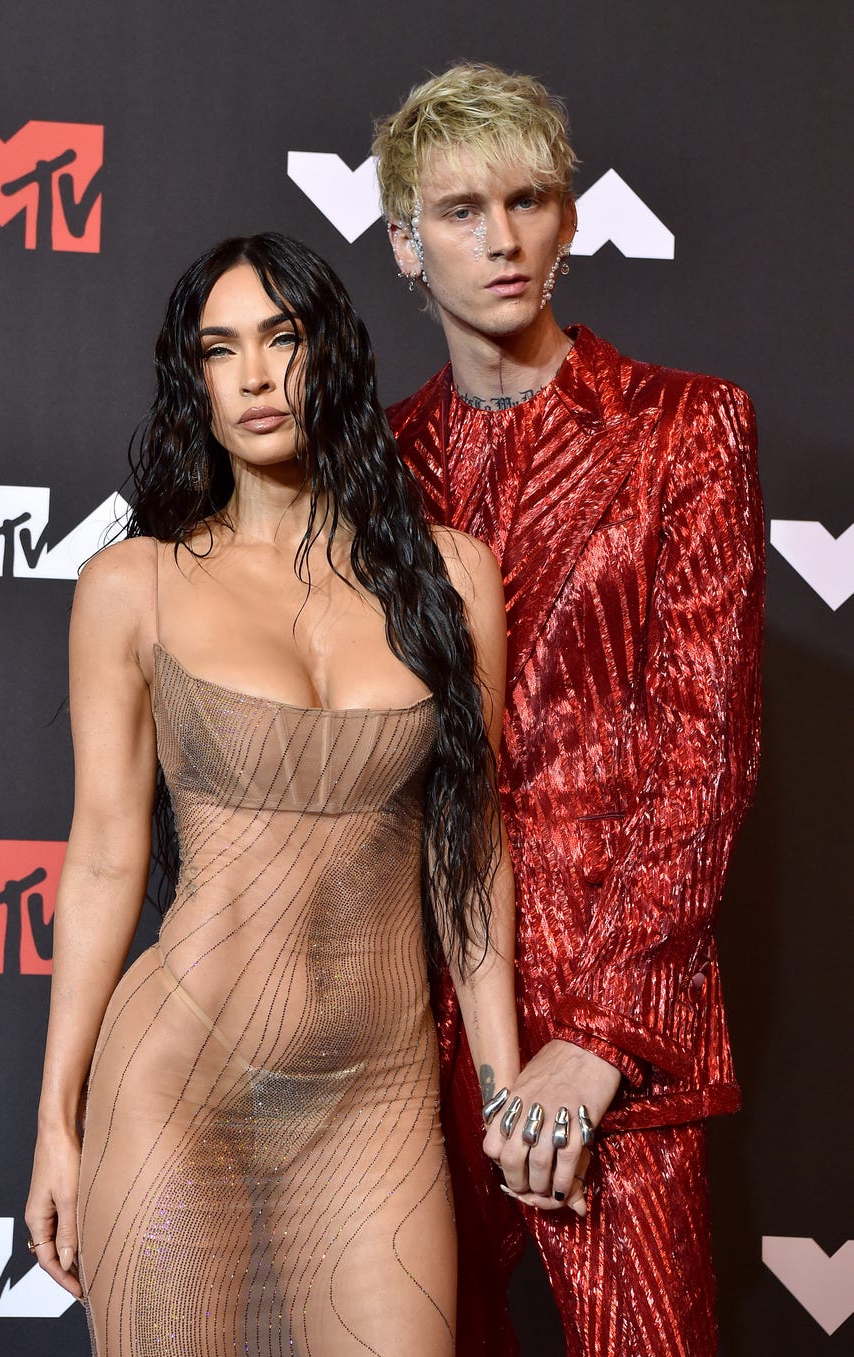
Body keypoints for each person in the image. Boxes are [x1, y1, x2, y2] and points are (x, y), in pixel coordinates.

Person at [24, 231, 541, 1357]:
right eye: (220, 350)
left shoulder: (454, 577)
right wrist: (55, 1125)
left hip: (373, 1093)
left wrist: (501, 1084)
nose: (255, 376)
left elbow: (472, 843)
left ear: (332, 356)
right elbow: (107, 858)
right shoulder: (134, 586)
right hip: (176, 1081)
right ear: (192, 381)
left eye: (282, 338)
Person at [373, 64, 764, 1357]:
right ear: (403, 245)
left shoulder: (685, 431)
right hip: (399, 1042)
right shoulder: (373, 470)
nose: (502, 237)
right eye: (463, 209)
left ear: (571, 220)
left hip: (616, 1044)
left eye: (529, 199)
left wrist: (600, 1037)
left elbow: (704, 752)